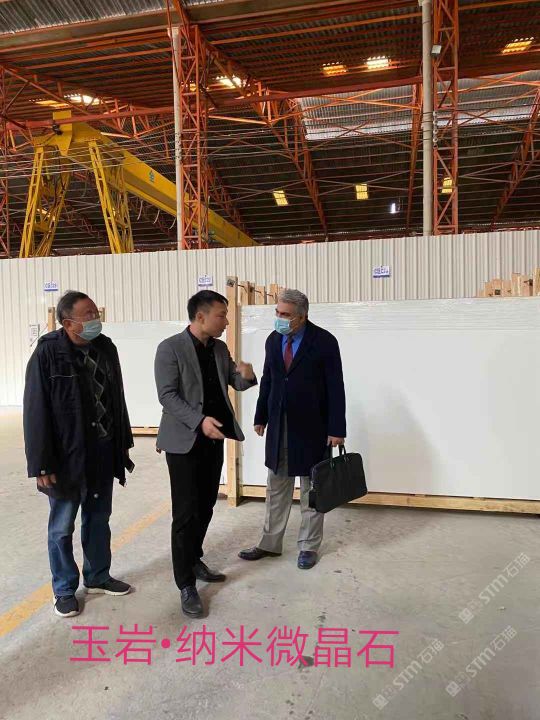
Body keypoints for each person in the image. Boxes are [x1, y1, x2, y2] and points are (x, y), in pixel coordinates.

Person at [23, 291, 134, 618]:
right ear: (68, 322)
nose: (95, 318)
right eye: (88, 314)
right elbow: (35, 410)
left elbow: (116, 398)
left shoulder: (106, 347)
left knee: (98, 518)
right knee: (61, 527)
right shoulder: (48, 353)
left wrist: (122, 441)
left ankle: (98, 576)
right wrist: (41, 463)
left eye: (95, 312)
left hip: (102, 451)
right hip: (65, 458)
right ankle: (64, 589)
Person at [154, 290, 257, 618]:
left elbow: (234, 382)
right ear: (200, 317)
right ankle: (186, 584)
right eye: (221, 315)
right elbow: (167, 396)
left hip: (214, 438)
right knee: (185, 513)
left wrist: (246, 375)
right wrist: (199, 421)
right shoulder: (170, 348)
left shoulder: (219, 348)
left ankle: (194, 558)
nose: (226, 321)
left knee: (206, 505)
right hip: (184, 442)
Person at [239, 288, 346, 570]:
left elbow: (336, 386)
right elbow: (269, 380)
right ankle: (269, 543)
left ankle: (308, 546)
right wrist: (261, 416)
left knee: (312, 489)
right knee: (276, 487)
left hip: (313, 427)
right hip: (280, 425)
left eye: (285, 314)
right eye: (277, 312)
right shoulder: (273, 340)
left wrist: (337, 428)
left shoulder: (324, 341)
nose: (279, 318)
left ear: (302, 317)